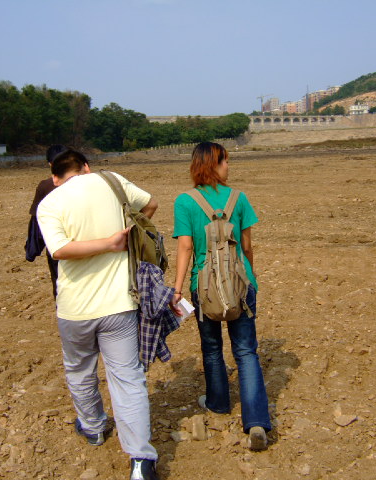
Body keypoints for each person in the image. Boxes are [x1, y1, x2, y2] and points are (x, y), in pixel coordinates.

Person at [37, 149, 160, 480]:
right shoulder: (112, 181)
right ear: (86, 167)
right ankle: (141, 460)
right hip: (119, 303)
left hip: (74, 307)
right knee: (128, 378)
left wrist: (105, 243)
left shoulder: (50, 202)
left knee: (79, 369)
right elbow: (150, 204)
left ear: (54, 177)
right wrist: (123, 236)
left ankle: (92, 427)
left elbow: (59, 250)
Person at [171, 141, 271, 450]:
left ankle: (218, 403)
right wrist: (251, 277)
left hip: (204, 287)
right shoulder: (239, 198)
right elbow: (247, 246)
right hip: (240, 284)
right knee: (246, 352)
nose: (228, 166)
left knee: (212, 348)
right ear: (213, 164)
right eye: (225, 161)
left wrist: (177, 288)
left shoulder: (185, 201)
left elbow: (185, 247)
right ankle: (256, 421)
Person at [26, 144, 80, 298]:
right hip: (88, 240)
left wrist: (32, 250)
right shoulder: (90, 182)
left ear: (50, 164)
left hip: (58, 244)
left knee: (61, 284)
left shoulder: (45, 186)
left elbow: (37, 222)